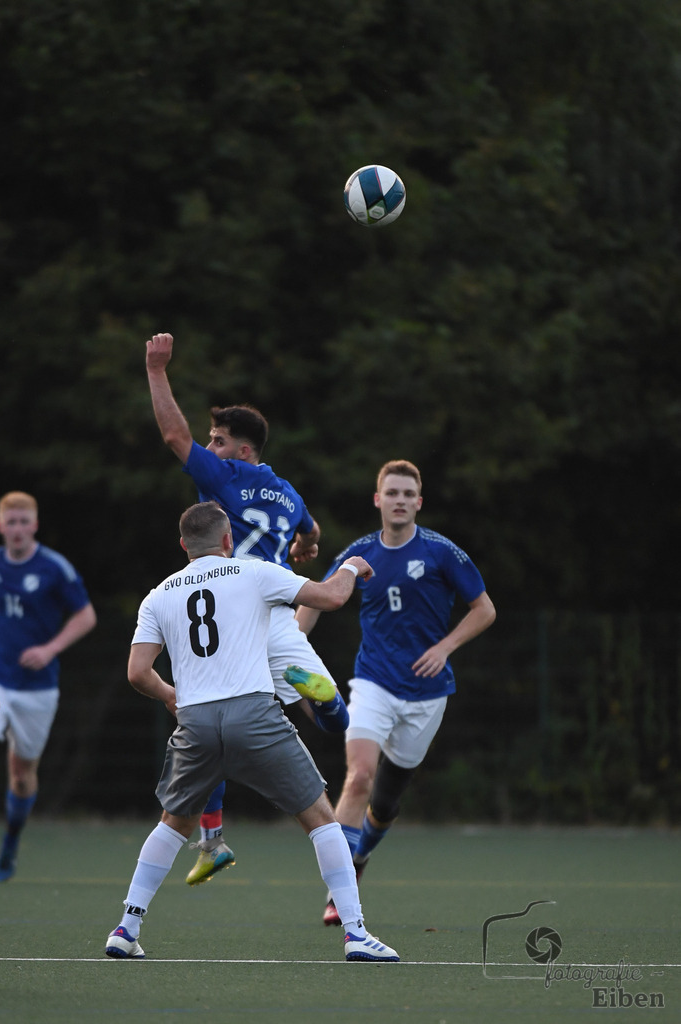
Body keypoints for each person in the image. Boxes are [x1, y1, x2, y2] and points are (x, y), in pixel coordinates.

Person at [104, 501, 399, 963]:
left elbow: (138, 672)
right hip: (253, 715)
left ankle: (127, 925)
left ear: (184, 546)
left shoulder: (158, 595)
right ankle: (357, 934)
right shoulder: (252, 571)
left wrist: (169, 695)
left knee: (174, 822)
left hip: (196, 722)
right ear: (227, 541)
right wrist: (351, 567)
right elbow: (331, 597)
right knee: (321, 818)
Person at [146, 332, 348, 886]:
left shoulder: (226, 477)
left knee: (202, 718)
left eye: (218, 440)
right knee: (336, 723)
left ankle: (211, 840)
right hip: (279, 607)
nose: (209, 448)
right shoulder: (288, 492)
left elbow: (171, 433)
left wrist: (157, 369)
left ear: (242, 451)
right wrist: (307, 547)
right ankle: (322, 702)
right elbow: (311, 532)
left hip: (234, 612)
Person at [295, 460, 496, 925]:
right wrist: (285, 650)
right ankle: (341, 897)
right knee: (359, 777)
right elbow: (317, 602)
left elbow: (484, 609)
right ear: (378, 499)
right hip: (373, 684)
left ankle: (359, 861)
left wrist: (446, 647)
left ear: (418, 503)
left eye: (409, 493)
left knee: (383, 805)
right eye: (393, 492)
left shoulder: (443, 552)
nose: (400, 500)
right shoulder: (359, 552)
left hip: (427, 695)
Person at [0, 491, 97, 881]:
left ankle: (10, 846)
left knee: (22, 775)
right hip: (0, 681)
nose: (18, 529)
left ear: (35, 525)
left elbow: (86, 615)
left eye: (25, 521)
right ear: (1, 526)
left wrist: (50, 648)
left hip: (38, 687)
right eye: (11, 521)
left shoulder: (55, 567)